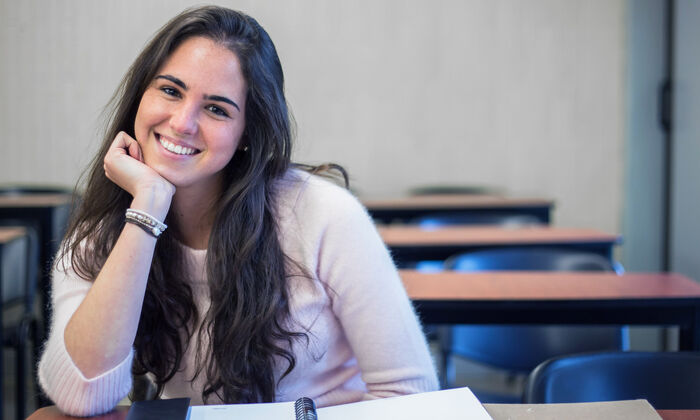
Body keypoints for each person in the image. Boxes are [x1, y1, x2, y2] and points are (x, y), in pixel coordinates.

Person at [38, 5, 438, 416]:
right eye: (170, 90)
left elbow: (410, 394)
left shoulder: (324, 215)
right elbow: (82, 397)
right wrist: (149, 206)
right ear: (140, 96)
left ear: (247, 133)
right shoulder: (105, 233)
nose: (182, 122)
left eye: (216, 109)